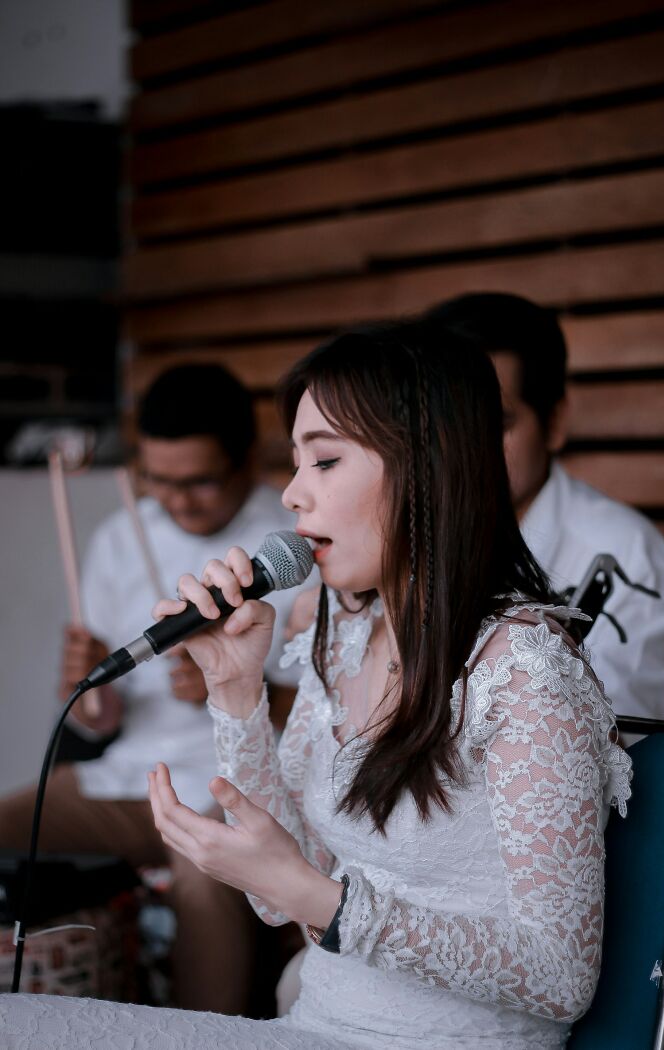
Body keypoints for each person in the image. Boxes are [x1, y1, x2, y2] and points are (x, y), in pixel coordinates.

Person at [1, 321, 632, 1049]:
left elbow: (559, 976)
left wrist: (319, 899)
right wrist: (234, 691)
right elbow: (284, 902)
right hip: (314, 1029)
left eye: (325, 461)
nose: (294, 494)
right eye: (296, 462)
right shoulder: (343, 633)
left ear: (428, 467)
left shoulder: (526, 671)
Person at [0, 364, 305, 1016]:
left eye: (199, 481)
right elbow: (99, 721)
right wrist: (92, 698)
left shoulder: (292, 542)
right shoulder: (119, 537)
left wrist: (240, 683)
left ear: (247, 460)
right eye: (159, 480)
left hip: (240, 789)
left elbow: (338, 710)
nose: (177, 501)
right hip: (131, 779)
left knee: (204, 876)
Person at [426, 292, 664, 720]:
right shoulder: (397, 534)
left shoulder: (630, 557)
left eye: (494, 424)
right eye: (442, 426)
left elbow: (614, 743)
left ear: (554, 423)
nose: (463, 450)